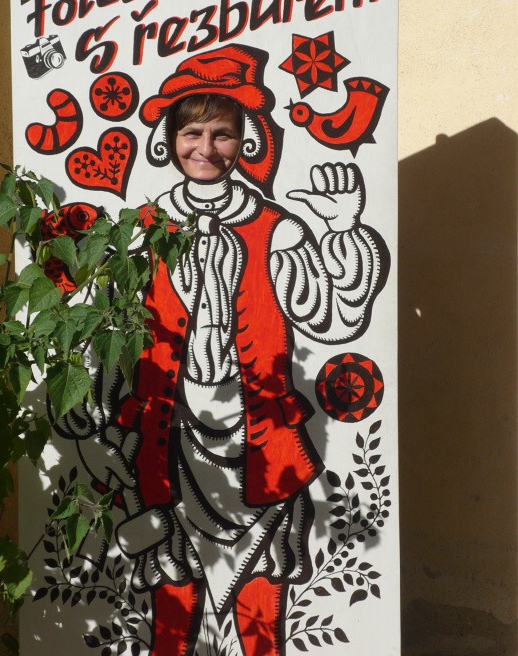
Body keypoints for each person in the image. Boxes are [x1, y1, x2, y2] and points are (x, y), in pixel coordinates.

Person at [57, 46, 389, 656]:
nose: (205, 148)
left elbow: (334, 317)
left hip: (257, 439)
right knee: (172, 595)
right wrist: (94, 408)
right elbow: (112, 332)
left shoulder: (278, 230)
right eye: (192, 133)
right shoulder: (140, 231)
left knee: (262, 597)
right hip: (170, 437)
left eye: (221, 134)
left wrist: (343, 228)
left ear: (246, 141)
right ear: (168, 139)